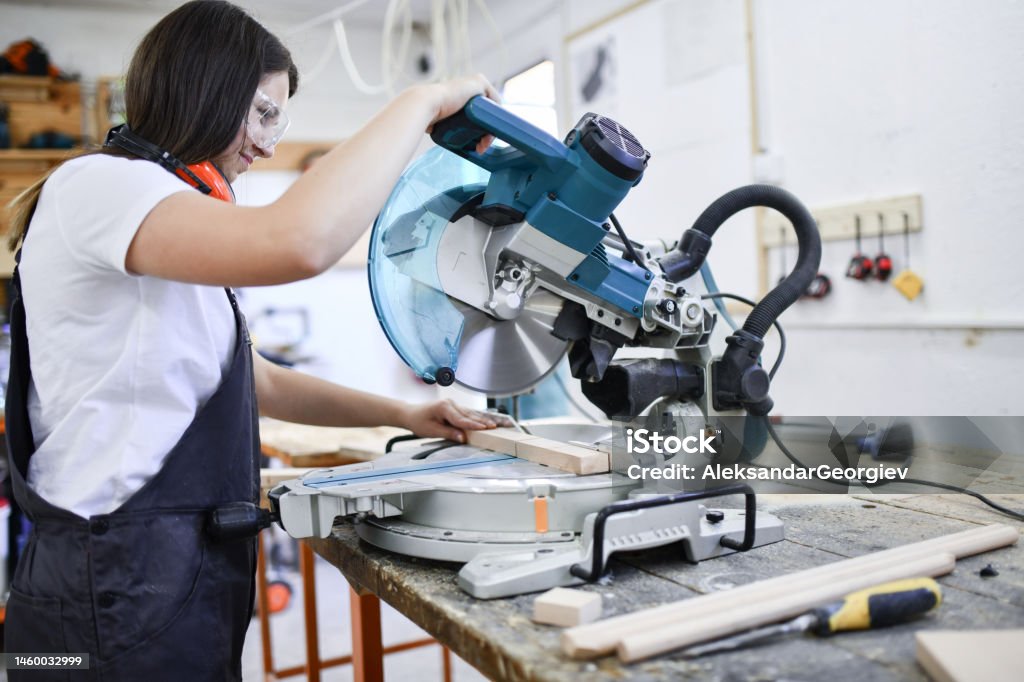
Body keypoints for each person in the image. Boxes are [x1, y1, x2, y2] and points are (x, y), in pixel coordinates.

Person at [3, 1, 502, 679]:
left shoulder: (163, 216)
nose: (270, 143)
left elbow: (254, 379)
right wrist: (424, 101)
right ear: (207, 90)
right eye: (265, 114)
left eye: (280, 120)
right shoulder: (102, 186)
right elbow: (296, 244)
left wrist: (405, 413)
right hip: (109, 579)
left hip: (162, 570)